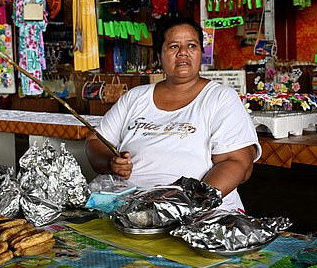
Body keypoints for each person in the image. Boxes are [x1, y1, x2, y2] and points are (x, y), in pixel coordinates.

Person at [85, 18, 261, 211]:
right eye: (174, 46)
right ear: (159, 57)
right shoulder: (135, 98)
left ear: (201, 53)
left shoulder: (220, 98)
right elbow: (96, 142)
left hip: (196, 212)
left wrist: (188, 206)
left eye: (192, 45)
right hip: (129, 209)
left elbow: (237, 163)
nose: (183, 52)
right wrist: (110, 163)